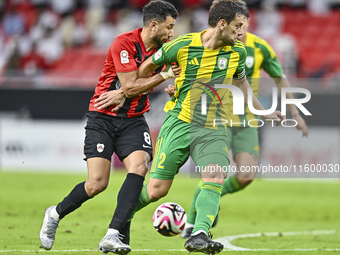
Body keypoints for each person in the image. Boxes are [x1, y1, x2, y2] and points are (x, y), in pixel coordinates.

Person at [127, 1, 284, 254]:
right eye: (238, 27)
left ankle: (198, 234)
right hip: (179, 123)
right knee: (156, 190)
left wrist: (262, 111)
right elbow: (144, 69)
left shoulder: (237, 53)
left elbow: (242, 84)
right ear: (222, 24)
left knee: (214, 177)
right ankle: (120, 220)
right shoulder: (181, 45)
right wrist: (168, 78)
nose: (241, 33)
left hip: (213, 126)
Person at [39, 1, 179, 254]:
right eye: (169, 27)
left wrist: (171, 87)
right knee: (97, 184)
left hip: (134, 119)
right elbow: (129, 86)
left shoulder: (166, 50)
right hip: (102, 117)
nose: (172, 33)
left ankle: (113, 234)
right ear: (154, 24)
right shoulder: (123, 43)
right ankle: (55, 213)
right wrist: (164, 76)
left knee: (139, 167)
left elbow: (135, 89)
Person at [181, 0, 309, 238]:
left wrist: (295, 113)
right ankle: (191, 223)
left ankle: (213, 197)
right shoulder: (212, 43)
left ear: (248, 21)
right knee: (214, 173)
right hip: (218, 118)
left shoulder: (260, 47)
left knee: (246, 176)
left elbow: (280, 78)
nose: (238, 28)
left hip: (247, 119)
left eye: (241, 22)